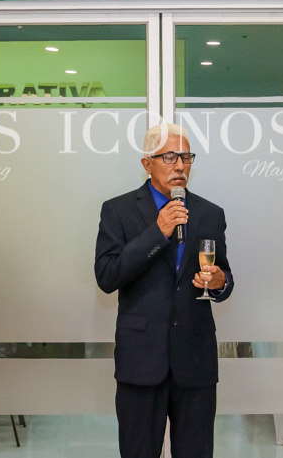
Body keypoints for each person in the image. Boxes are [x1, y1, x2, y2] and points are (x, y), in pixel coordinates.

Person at [94, 123, 233, 458]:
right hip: (141, 362)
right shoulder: (118, 211)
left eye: (186, 157)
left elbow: (224, 275)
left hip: (195, 362)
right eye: (170, 157)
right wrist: (158, 231)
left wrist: (218, 282)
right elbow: (107, 275)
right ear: (147, 163)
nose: (181, 165)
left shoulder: (209, 213)